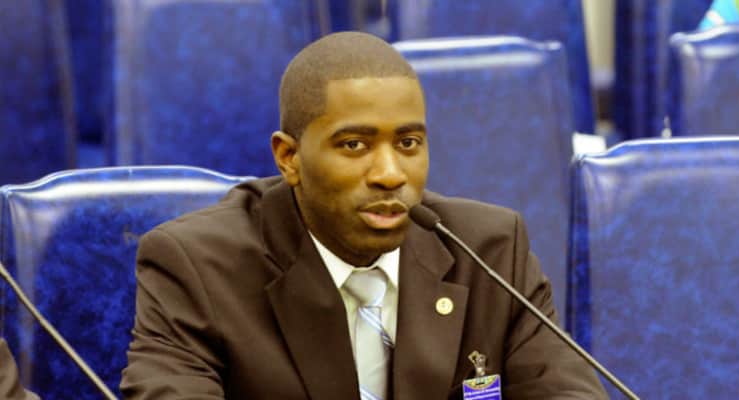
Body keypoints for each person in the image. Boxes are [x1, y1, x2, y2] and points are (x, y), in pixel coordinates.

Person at [120, 31, 607, 399]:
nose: (390, 174)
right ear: (289, 158)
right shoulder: (197, 267)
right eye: (354, 145)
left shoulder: (489, 251)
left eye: (408, 143)